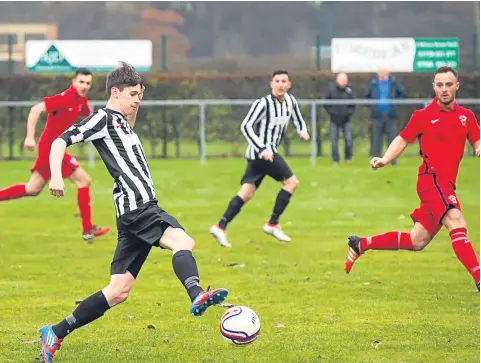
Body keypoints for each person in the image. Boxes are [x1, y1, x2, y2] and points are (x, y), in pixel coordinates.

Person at [38, 62, 228, 362]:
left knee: (118, 291)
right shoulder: (101, 118)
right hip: (138, 207)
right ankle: (196, 295)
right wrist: (58, 176)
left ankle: (55, 331)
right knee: (183, 242)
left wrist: (135, 98)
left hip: (133, 213)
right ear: (114, 92)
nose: (137, 99)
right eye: (132, 94)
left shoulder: (122, 121)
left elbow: (128, 119)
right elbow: (60, 140)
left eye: (140, 94)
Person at [345, 66, 480, 292]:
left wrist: (477, 148)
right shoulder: (423, 116)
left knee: (417, 240)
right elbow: (401, 139)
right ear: (434, 87)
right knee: (456, 220)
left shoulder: (467, 116)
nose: (444, 89)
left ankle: (361, 244)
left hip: (446, 184)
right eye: (439, 85)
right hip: (431, 180)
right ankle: (478, 277)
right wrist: (385, 159)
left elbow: (477, 140)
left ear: (457, 85)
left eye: (449, 84)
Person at [0, 68, 110, 242]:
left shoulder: (80, 101)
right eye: (81, 82)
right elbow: (36, 109)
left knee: (32, 189)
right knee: (84, 181)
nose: (84, 86)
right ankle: (87, 229)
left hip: (54, 149)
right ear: (74, 82)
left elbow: (88, 117)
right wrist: (29, 137)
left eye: (88, 83)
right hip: (51, 150)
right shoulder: (64, 98)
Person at [209, 69, 310, 247]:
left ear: (288, 84)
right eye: (277, 81)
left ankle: (220, 226)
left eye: (283, 81)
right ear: (271, 84)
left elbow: (298, 119)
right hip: (262, 155)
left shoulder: (290, 101)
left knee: (246, 192)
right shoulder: (263, 103)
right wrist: (262, 148)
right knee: (291, 182)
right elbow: (246, 126)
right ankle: (272, 223)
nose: (280, 84)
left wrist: (302, 130)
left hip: (264, 155)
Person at [366, 67, 405, 166]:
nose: (382, 74)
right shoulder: (373, 84)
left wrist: (395, 106)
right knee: (376, 139)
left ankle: (393, 161)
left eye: (383, 72)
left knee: (392, 139)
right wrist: (373, 107)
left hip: (390, 115)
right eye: (380, 72)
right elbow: (367, 96)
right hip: (377, 116)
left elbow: (402, 94)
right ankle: (375, 161)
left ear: (388, 73)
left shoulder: (394, 83)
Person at [324, 72, 355, 165]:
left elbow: (353, 105)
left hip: (346, 120)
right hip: (334, 119)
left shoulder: (349, 91)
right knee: (334, 141)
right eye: (341, 80)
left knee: (348, 140)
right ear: (337, 80)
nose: (343, 82)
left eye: (345, 80)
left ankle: (348, 158)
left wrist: (348, 113)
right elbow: (325, 103)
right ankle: (335, 160)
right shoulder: (331, 90)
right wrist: (332, 113)